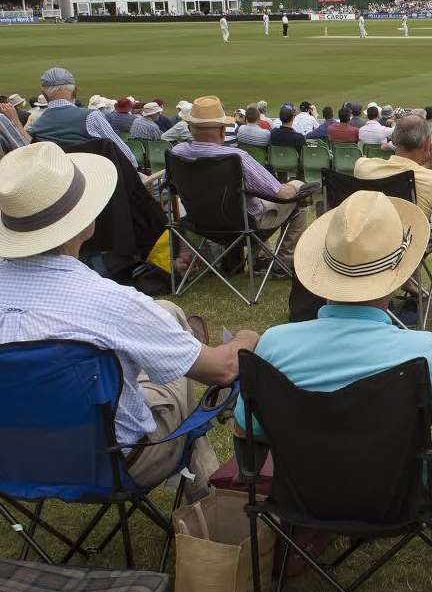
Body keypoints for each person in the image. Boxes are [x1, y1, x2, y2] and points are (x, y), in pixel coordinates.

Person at [0, 141, 261, 491]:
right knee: (178, 364)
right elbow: (223, 370)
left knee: (166, 313)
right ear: (84, 219)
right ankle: (202, 491)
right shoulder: (111, 302)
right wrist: (247, 339)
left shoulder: (112, 303)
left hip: (11, 457)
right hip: (111, 462)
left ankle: (175, 340)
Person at [234, 190, 432, 505]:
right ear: (397, 274)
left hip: (302, 493)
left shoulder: (274, 344)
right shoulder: (424, 353)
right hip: (402, 500)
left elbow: (247, 429)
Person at [170, 96, 310, 263]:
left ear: (189, 128)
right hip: (244, 225)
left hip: (200, 222)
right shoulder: (235, 158)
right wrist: (296, 186)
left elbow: (171, 187)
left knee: (251, 198)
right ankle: (283, 261)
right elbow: (283, 195)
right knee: (299, 189)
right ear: (222, 131)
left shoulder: (176, 153)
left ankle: (259, 256)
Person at [355, 115, 432, 240]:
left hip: (368, 242)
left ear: (393, 139)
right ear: (428, 143)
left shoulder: (362, 166)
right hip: (409, 248)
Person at [26, 68, 137, 167]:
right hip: (97, 181)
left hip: (60, 183)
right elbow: (127, 157)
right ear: (74, 90)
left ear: (43, 93)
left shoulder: (36, 126)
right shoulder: (91, 116)